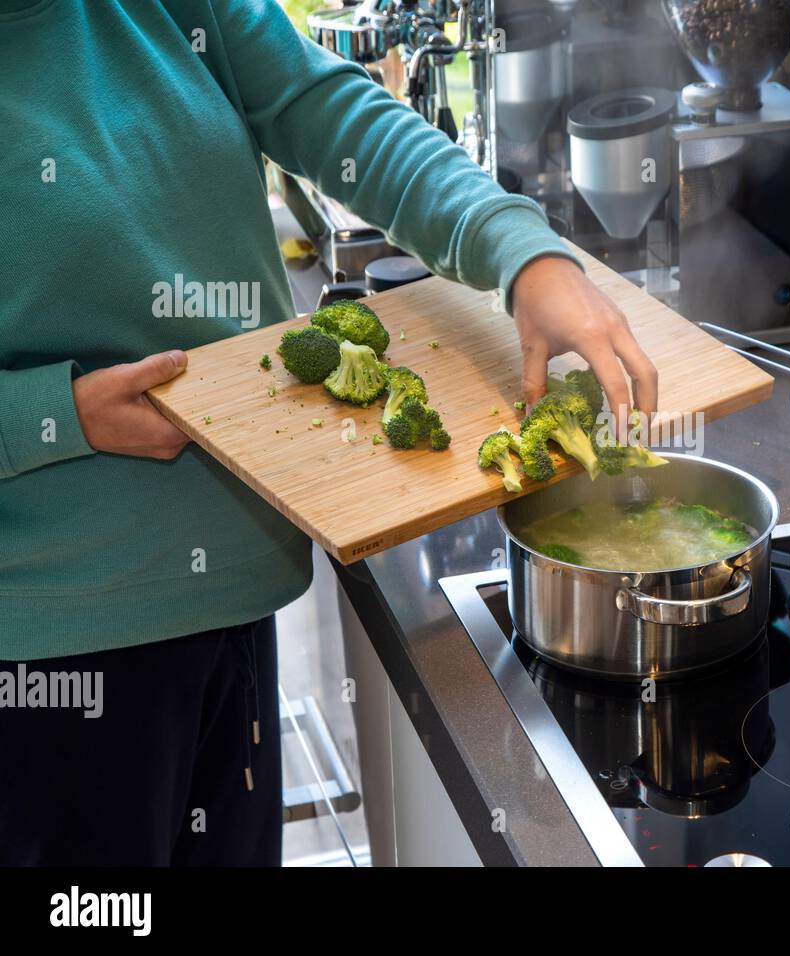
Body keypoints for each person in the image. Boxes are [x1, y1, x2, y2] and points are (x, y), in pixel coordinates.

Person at [0, 0, 657, 865]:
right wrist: (53, 415)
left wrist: (519, 251)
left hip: (231, 587)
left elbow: (329, 109)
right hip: (48, 662)